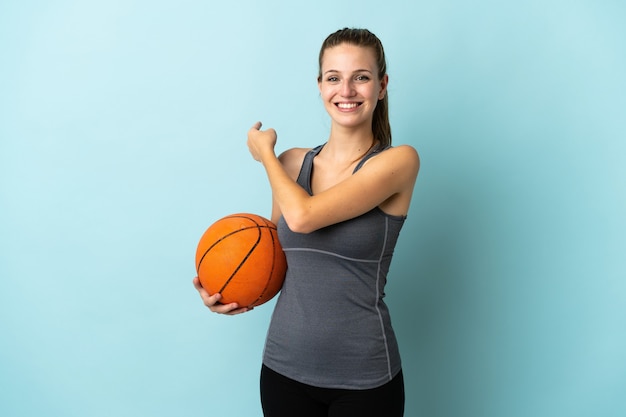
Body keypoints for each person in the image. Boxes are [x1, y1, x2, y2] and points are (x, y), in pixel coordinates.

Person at [193, 27, 419, 417]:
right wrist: (228, 290)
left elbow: (302, 217)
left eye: (361, 77)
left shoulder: (398, 163)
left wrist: (265, 154)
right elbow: (276, 261)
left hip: (364, 381)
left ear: (382, 86)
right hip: (283, 371)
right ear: (320, 86)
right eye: (334, 78)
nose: (345, 90)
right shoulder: (293, 164)